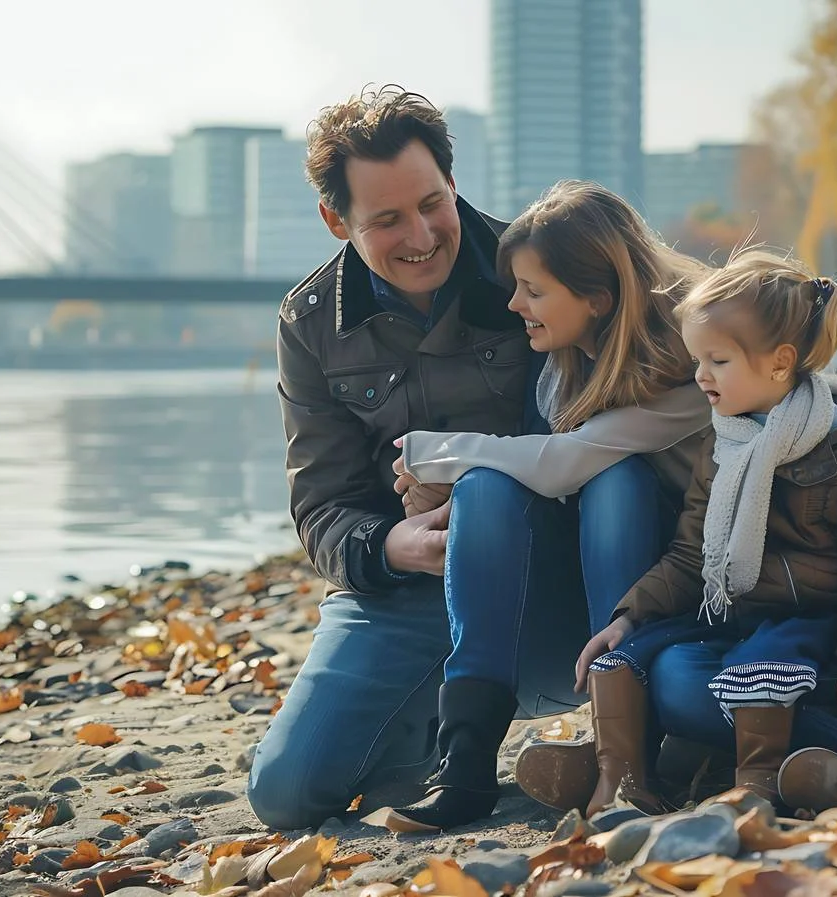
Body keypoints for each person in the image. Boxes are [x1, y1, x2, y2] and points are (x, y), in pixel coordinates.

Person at [248, 87, 596, 831]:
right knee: (284, 792)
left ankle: (648, 730)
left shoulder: (533, 271)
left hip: (550, 575)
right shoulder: (309, 326)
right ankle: (429, 739)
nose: (422, 235)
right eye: (387, 220)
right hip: (406, 590)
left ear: (452, 181)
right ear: (335, 221)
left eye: (431, 203)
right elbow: (321, 506)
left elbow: (624, 420)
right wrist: (391, 545)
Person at [519, 248, 837, 817]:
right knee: (649, 662)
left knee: (758, 668)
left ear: (778, 362)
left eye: (716, 361)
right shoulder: (726, 445)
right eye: (698, 359)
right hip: (739, 628)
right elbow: (692, 554)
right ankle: (621, 777)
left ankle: (793, 778)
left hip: (816, 638)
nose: (700, 376)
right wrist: (629, 616)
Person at [372, 180, 712, 830]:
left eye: (533, 289)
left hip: (690, 593)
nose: (515, 304)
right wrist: (449, 484)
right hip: (588, 606)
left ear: (597, 299)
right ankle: (466, 762)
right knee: (487, 486)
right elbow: (538, 474)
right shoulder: (564, 369)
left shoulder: (697, 360)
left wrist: (429, 452)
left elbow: (568, 463)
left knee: (618, 481)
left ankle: (628, 752)